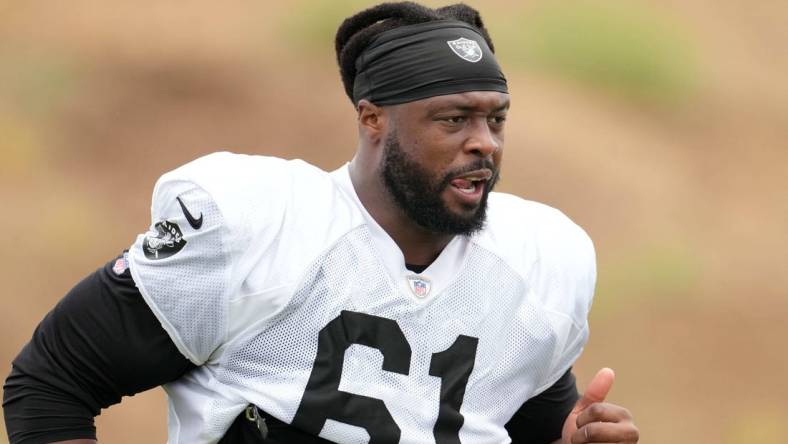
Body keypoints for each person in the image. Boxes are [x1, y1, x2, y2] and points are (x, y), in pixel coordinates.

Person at [3, 2, 640, 443]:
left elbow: (514, 423)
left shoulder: (538, 260)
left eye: (495, 119)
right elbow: (52, 383)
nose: (484, 144)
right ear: (373, 119)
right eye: (454, 120)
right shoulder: (261, 227)